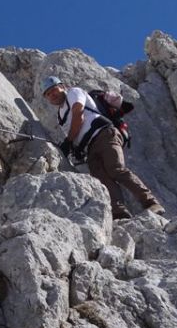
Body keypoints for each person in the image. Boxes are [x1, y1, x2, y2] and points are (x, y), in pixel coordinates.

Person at [41, 75, 165, 220]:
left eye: (54, 90)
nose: (52, 95)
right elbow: (76, 129)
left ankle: (151, 202)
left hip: (104, 135)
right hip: (90, 148)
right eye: (48, 94)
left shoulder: (74, 92)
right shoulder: (60, 115)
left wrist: (68, 141)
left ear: (62, 87)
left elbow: (78, 114)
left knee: (116, 169)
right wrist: (74, 147)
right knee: (103, 181)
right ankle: (119, 214)